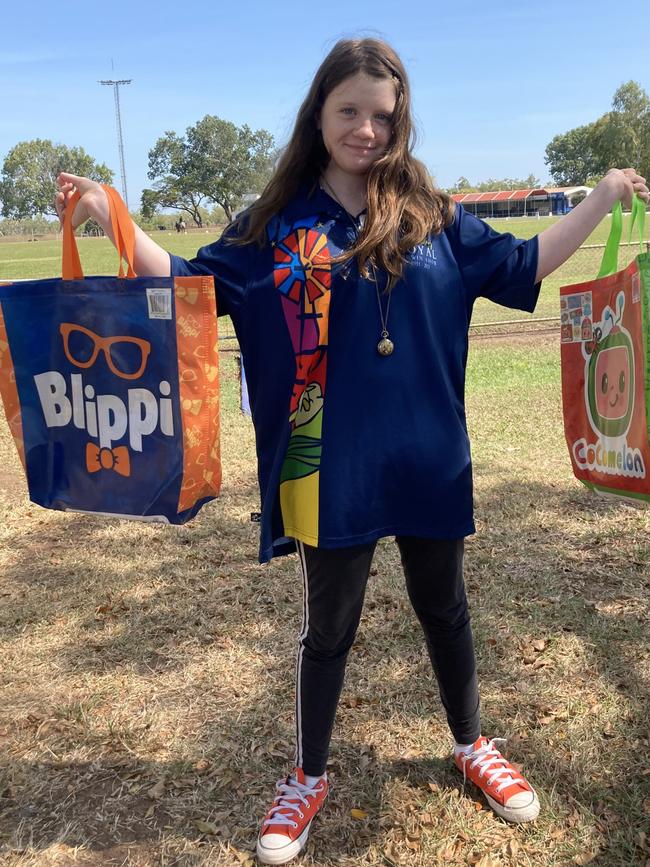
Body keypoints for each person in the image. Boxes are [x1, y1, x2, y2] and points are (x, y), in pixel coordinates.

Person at [56, 38, 648, 866]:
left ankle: (473, 743)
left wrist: (605, 194)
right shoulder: (276, 225)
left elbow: (524, 263)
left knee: (445, 607)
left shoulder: (434, 215)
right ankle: (307, 772)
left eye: (383, 114)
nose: (367, 129)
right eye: (350, 111)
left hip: (429, 455)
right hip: (324, 465)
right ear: (320, 114)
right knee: (328, 625)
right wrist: (113, 216)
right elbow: (191, 283)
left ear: (400, 120)